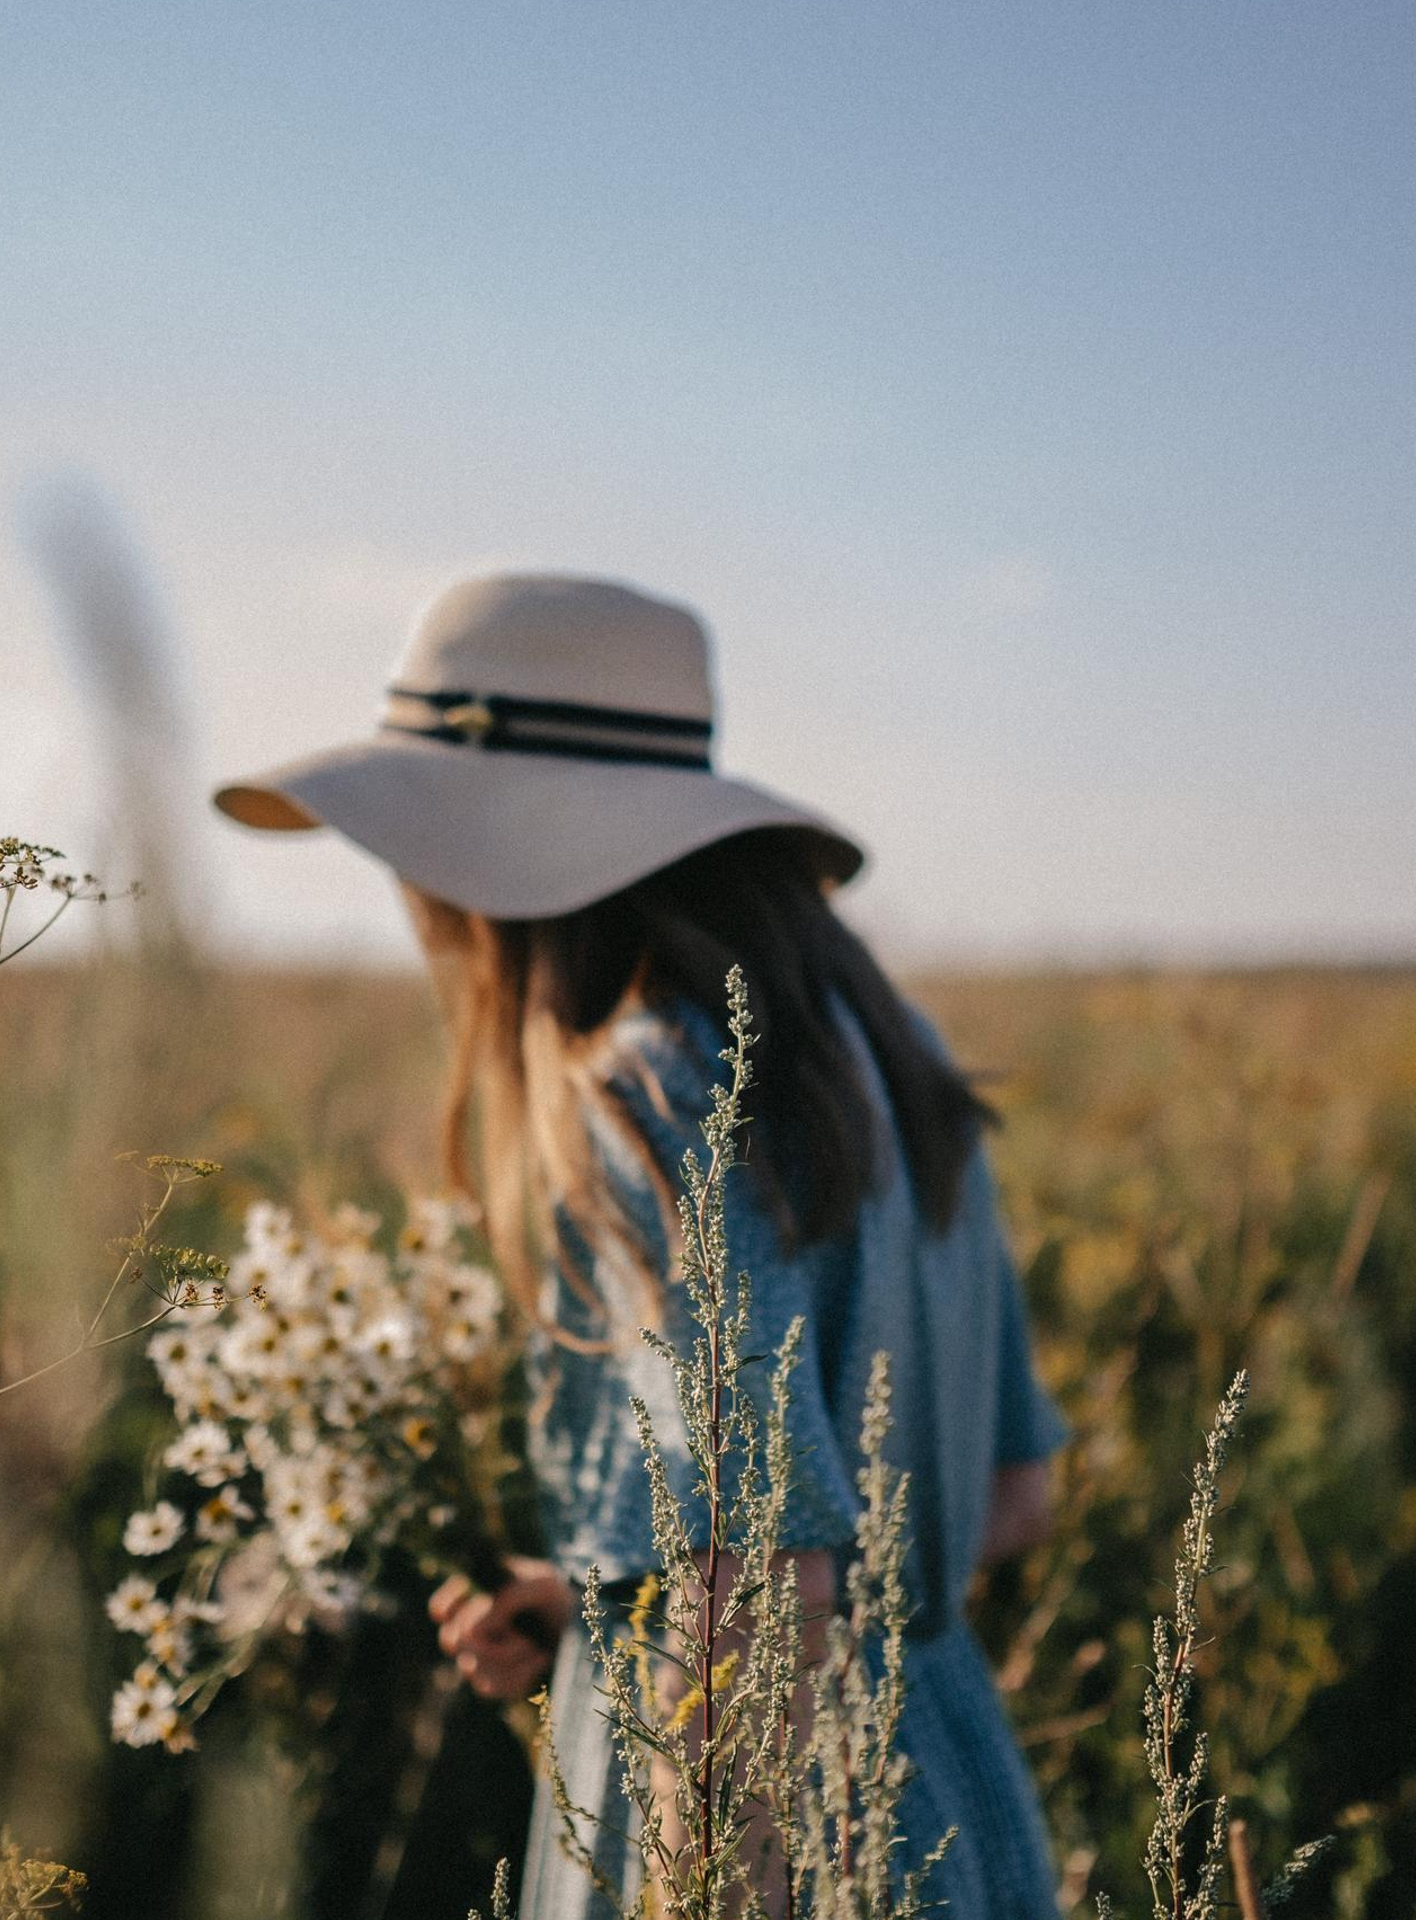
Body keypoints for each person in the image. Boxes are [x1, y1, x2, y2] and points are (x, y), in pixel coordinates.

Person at [214, 573, 1069, 1918]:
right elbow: (1014, 1497)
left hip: (753, 1846)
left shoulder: (648, 1091)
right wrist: (601, 1594)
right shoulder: (891, 1059)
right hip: (949, 1809)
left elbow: (752, 1582)